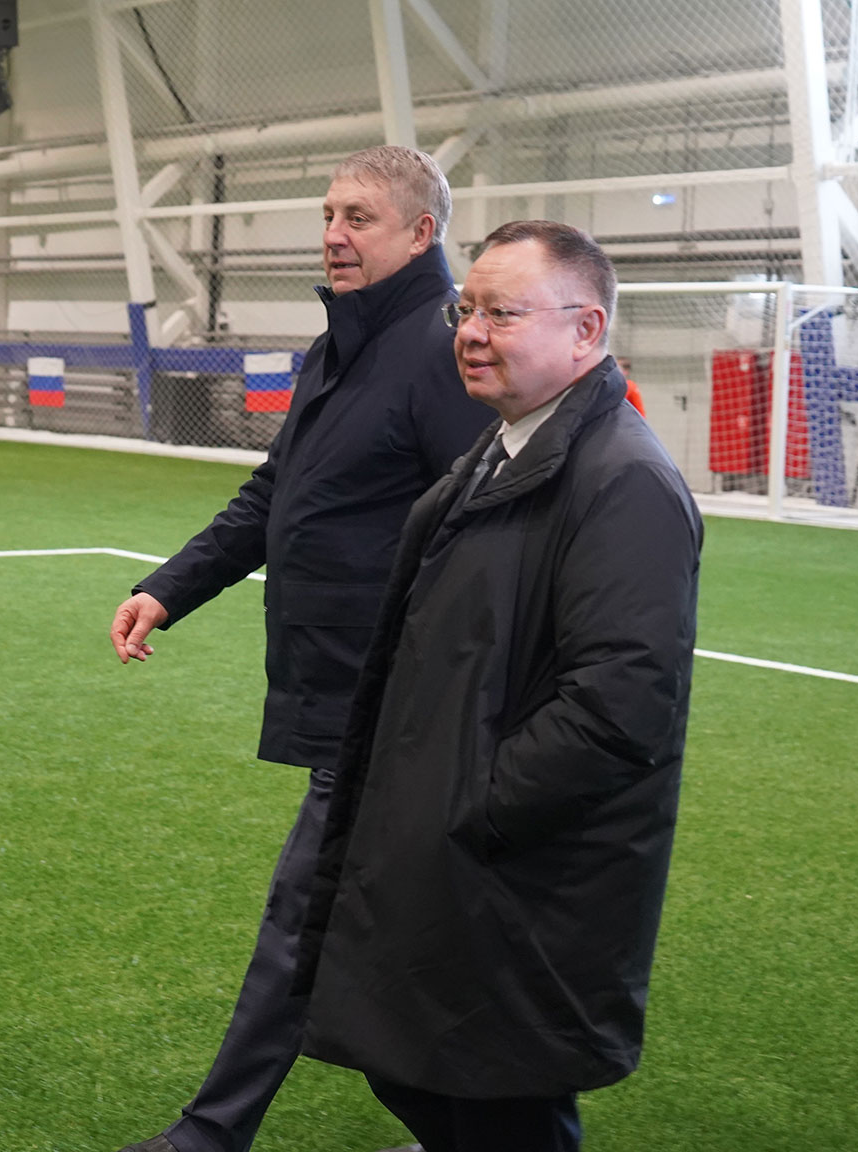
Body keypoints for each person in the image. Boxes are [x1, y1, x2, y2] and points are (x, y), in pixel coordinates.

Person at [292, 220, 702, 1152]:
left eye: (502, 314)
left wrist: (473, 806)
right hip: (447, 843)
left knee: (499, 1100)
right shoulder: (500, 450)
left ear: (586, 330)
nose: (472, 333)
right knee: (417, 1067)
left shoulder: (624, 480)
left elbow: (620, 706)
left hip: (514, 868)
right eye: (465, 311)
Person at [107, 145, 486, 1152]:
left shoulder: (444, 352)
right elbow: (277, 493)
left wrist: (438, 686)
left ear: (421, 233)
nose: (333, 234)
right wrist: (168, 587)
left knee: (305, 920)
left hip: (396, 706)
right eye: (328, 214)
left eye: (359, 217)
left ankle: (210, 1133)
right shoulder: (341, 345)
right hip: (342, 690)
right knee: (383, 939)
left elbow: (479, 539)